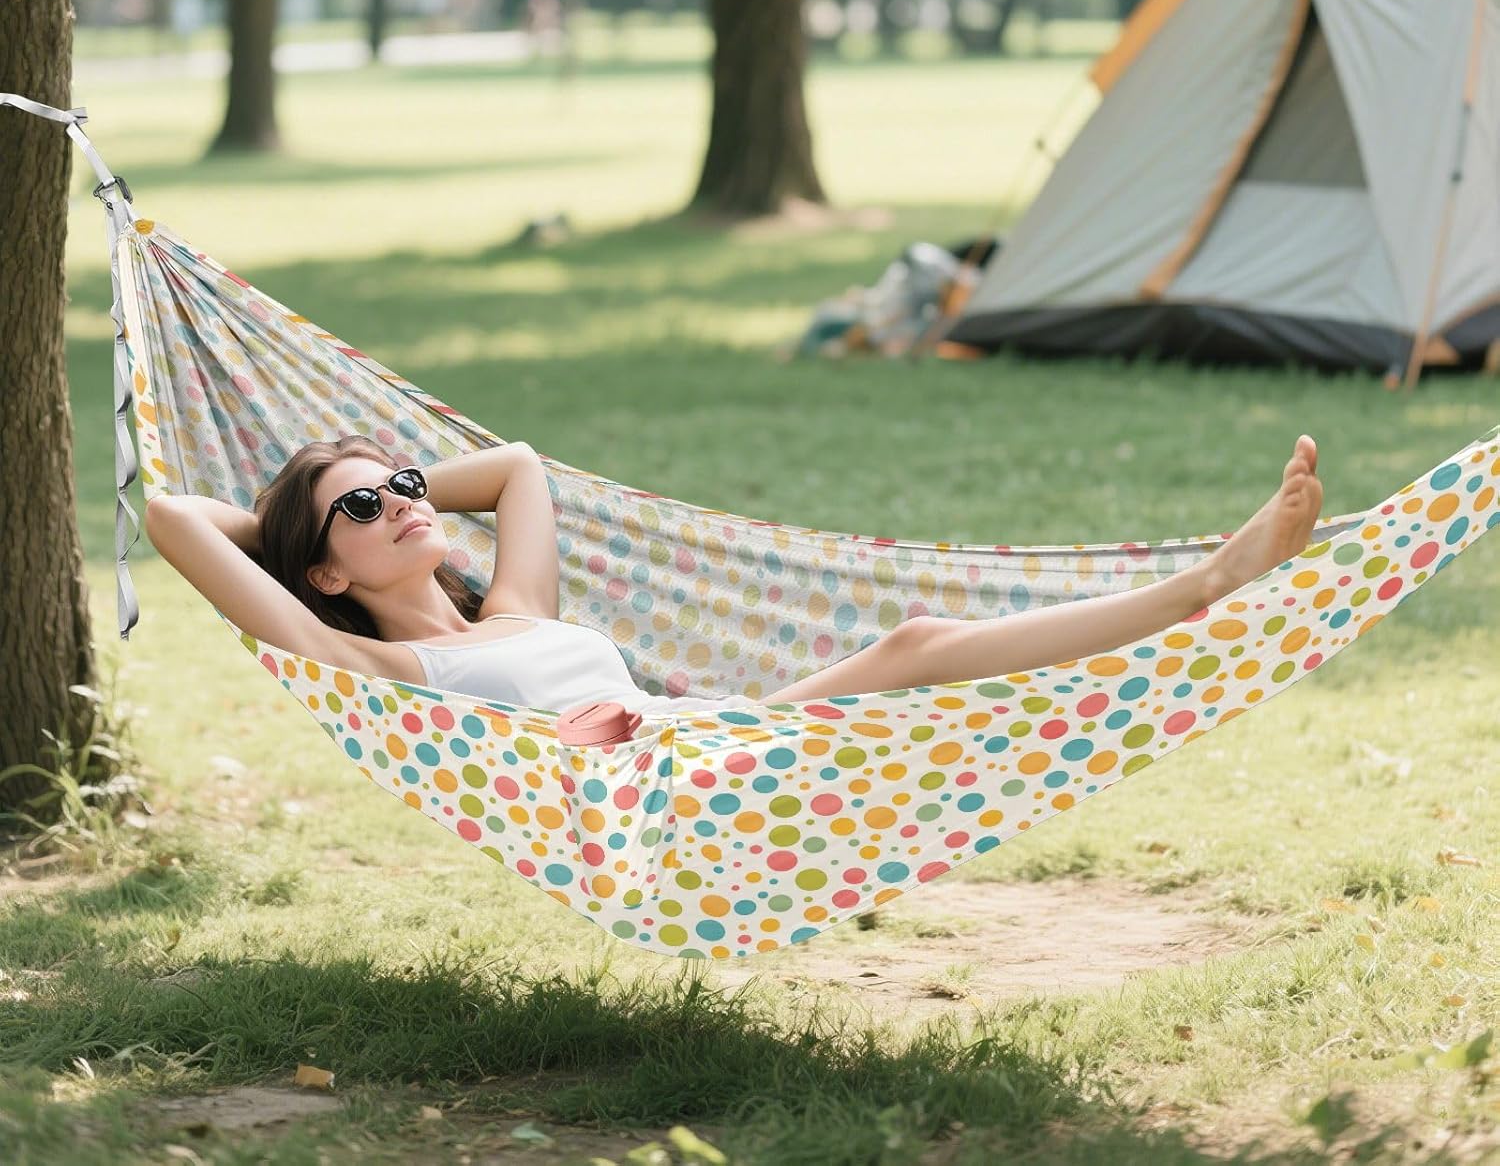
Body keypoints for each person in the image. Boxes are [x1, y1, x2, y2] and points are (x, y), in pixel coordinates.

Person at [143, 433, 1323, 717]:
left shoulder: (514, 606)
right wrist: (283, 533)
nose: (402, 501)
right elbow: (173, 516)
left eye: (403, 480)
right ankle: (1200, 586)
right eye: (363, 506)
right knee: (910, 648)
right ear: (324, 572)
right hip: (666, 797)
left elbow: (513, 471)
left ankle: (1206, 583)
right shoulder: (368, 659)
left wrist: (368, 501)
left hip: (701, 745)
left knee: (911, 647)